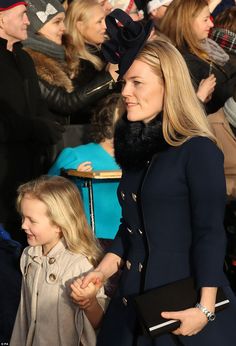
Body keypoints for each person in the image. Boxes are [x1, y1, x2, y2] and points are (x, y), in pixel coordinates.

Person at [73, 9, 236, 346]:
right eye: (124, 82)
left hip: (183, 309)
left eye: (137, 82)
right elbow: (131, 226)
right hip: (131, 307)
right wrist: (102, 272)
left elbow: (209, 232)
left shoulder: (198, 150)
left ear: (168, 85)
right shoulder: (135, 144)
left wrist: (204, 310)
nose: (125, 91)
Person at [10, 175, 108, 346]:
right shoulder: (28, 255)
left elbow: (99, 323)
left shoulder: (80, 264)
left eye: (32, 220)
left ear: (59, 224)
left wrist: (89, 302)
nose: (23, 225)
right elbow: (24, 316)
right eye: (23, 217)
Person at [0, 0, 64, 243]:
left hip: (29, 171)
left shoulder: (24, 58)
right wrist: (36, 127)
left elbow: (36, 106)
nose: (28, 21)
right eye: (23, 15)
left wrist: (48, 126)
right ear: (2, 19)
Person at [48, 93, 124, 243]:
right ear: (107, 121)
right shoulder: (76, 156)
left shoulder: (141, 157)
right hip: (91, 243)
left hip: (132, 241)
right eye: (124, 116)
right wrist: (72, 180)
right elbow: (45, 196)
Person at [160, 0, 236, 114]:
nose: (211, 24)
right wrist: (200, 99)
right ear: (186, 22)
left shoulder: (207, 47)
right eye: (205, 20)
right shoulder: (183, 62)